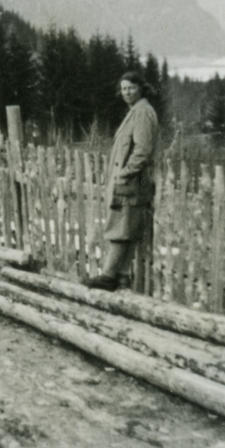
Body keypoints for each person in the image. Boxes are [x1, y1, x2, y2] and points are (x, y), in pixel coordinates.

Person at [83, 71, 159, 291]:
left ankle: (107, 277)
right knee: (124, 230)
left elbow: (143, 150)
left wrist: (124, 173)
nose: (126, 92)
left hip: (133, 183)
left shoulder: (143, 113)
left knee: (120, 229)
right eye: (124, 89)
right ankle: (122, 279)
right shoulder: (135, 112)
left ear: (141, 89)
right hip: (128, 183)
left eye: (131, 88)